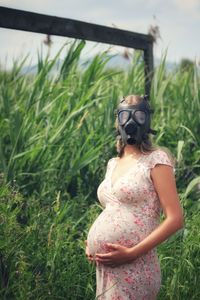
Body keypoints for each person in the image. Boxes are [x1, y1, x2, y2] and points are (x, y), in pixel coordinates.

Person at [85, 94, 184, 300]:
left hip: (135, 265)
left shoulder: (156, 160)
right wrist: (92, 243)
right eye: (124, 116)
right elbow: (115, 209)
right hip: (107, 269)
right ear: (117, 121)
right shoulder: (113, 162)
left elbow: (175, 219)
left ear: (147, 121)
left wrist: (132, 253)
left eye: (138, 116)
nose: (130, 122)